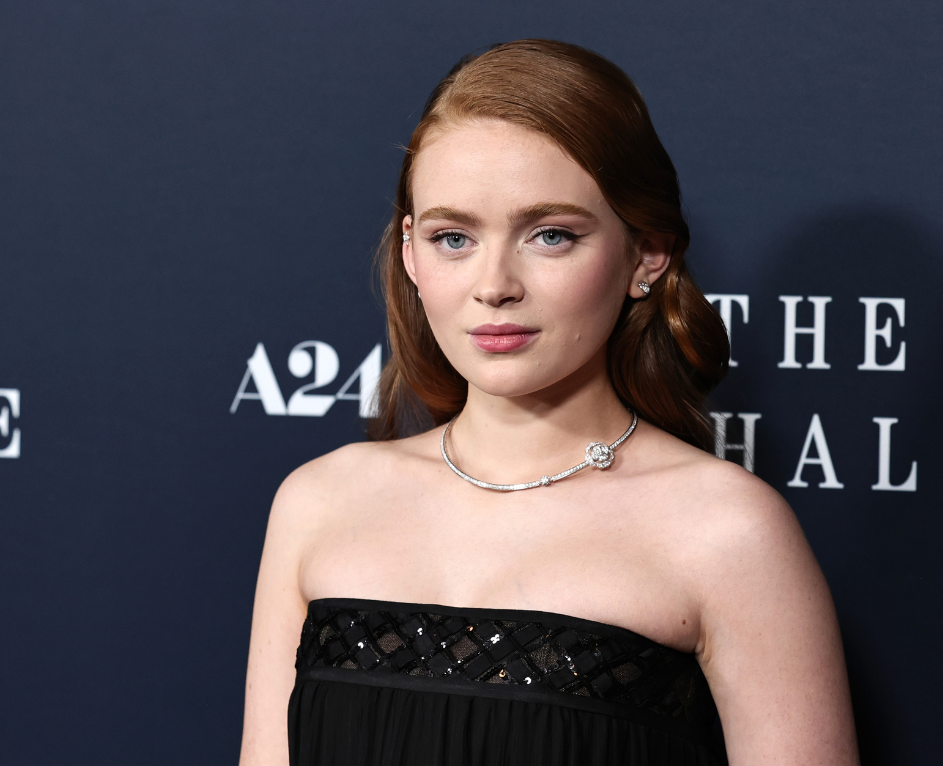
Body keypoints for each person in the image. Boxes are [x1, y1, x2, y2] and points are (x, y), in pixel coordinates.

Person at [240, 39, 858, 765]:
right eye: (453, 237)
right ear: (410, 253)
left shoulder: (726, 533)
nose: (494, 283)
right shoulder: (319, 504)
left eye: (551, 234)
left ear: (646, 254)